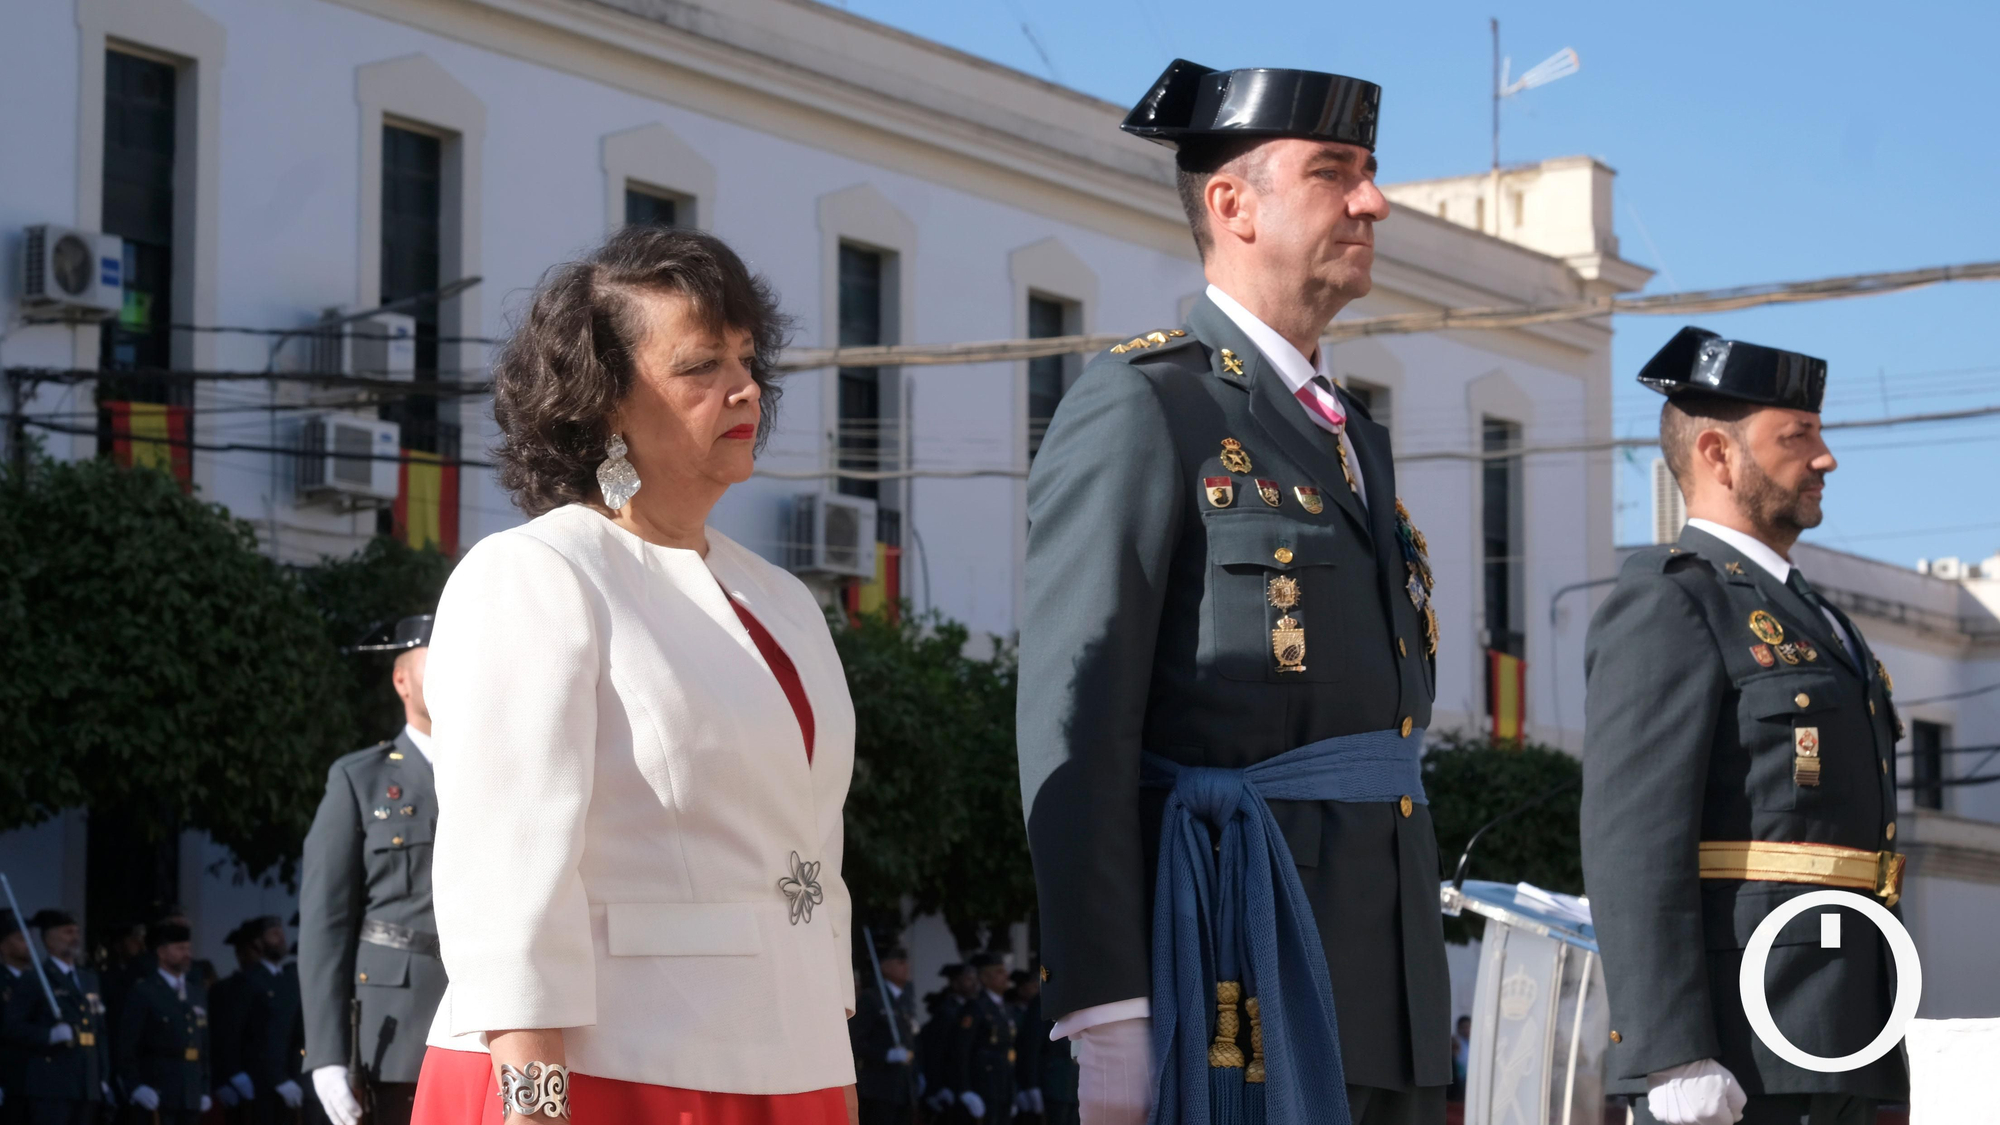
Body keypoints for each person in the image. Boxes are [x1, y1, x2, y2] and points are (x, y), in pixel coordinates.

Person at [1017, 58, 1449, 1125]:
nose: (1372, 202)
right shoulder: (1146, 405)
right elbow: (1074, 724)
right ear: (1230, 204)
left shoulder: (1352, 439)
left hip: (1378, 976)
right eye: (1333, 172)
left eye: (1370, 173)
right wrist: (1108, 1007)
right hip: (1227, 960)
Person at [407, 225, 858, 1125]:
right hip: (612, 1072)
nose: (744, 388)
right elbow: (506, 879)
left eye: (746, 357)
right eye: (700, 365)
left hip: (792, 1057)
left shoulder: (783, 599)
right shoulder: (536, 573)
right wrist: (533, 1106)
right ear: (605, 401)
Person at [1581, 328, 1907, 1125]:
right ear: (1720, 454)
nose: (1824, 458)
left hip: (1843, 1038)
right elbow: (1634, 838)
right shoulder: (1674, 600)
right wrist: (1670, 1051)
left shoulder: (1818, 616)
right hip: (1741, 1048)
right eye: (1798, 438)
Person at [300, 613, 446, 1125]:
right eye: (438, 659)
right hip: (396, 1030)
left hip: (488, 1022)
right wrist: (326, 1054)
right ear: (401, 679)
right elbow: (325, 924)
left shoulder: (501, 773)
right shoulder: (359, 779)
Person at [1, 909, 112, 1123]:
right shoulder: (35, 978)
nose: (75, 938)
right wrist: (48, 1036)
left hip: (86, 1082)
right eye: (67, 932)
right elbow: (11, 1027)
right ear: (49, 939)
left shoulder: (89, 979)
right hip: (52, 1083)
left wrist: (103, 1074)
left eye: (76, 932)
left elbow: (100, 1030)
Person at [112, 922, 212, 1124]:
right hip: (159, 1088)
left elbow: (203, 1044)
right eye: (179, 948)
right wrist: (136, 1085)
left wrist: (204, 1087)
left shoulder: (195, 993)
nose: (187, 954)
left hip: (190, 1090)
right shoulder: (145, 991)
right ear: (162, 952)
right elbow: (127, 1044)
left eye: (188, 948)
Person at [234, 917, 305, 1123]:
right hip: (258, 1080)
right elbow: (234, 1033)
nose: (281, 938)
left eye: (281, 933)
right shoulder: (248, 980)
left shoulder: (288, 978)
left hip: (288, 1075)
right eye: (274, 934)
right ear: (258, 942)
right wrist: (233, 1073)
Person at [851, 946, 920, 1125]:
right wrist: (885, 1054)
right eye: (899, 962)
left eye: (906, 962)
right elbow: (857, 1041)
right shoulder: (872, 998)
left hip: (904, 1086)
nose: (906, 966)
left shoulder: (905, 999)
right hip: (879, 1087)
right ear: (884, 967)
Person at [949, 954, 1018, 1125]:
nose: (1006, 976)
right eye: (999, 972)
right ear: (984, 978)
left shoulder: (1005, 1008)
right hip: (983, 1084)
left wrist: (1014, 1091)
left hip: (1003, 1084)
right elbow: (961, 1050)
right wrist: (964, 1089)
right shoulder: (976, 1007)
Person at [206, 921, 260, 1122]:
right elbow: (218, 1038)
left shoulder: (276, 986)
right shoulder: (225, 990)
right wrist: (223, 1079)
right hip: (235, 1080)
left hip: (266, 1079)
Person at [920, 966, 974, 1121]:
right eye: (968, 979)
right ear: (955, 983)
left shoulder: (971, 1007)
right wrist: (937, 1087)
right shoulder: (946, 1011)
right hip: (950, 1084)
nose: (974, 983)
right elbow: (936, 1052)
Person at [0, 912, 30, 1125]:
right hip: (7, 1074)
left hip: (34, 1080)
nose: (28, 943)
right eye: (20, 938)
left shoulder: (37, 981)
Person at [1448, 1016, 1470, 1102]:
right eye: (1463, 1027)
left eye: (1468, 1027)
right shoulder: (1455, 1041)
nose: (1466, 1030)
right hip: (1459, 1078)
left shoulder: (1474, 1041)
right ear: (1458, 1028)